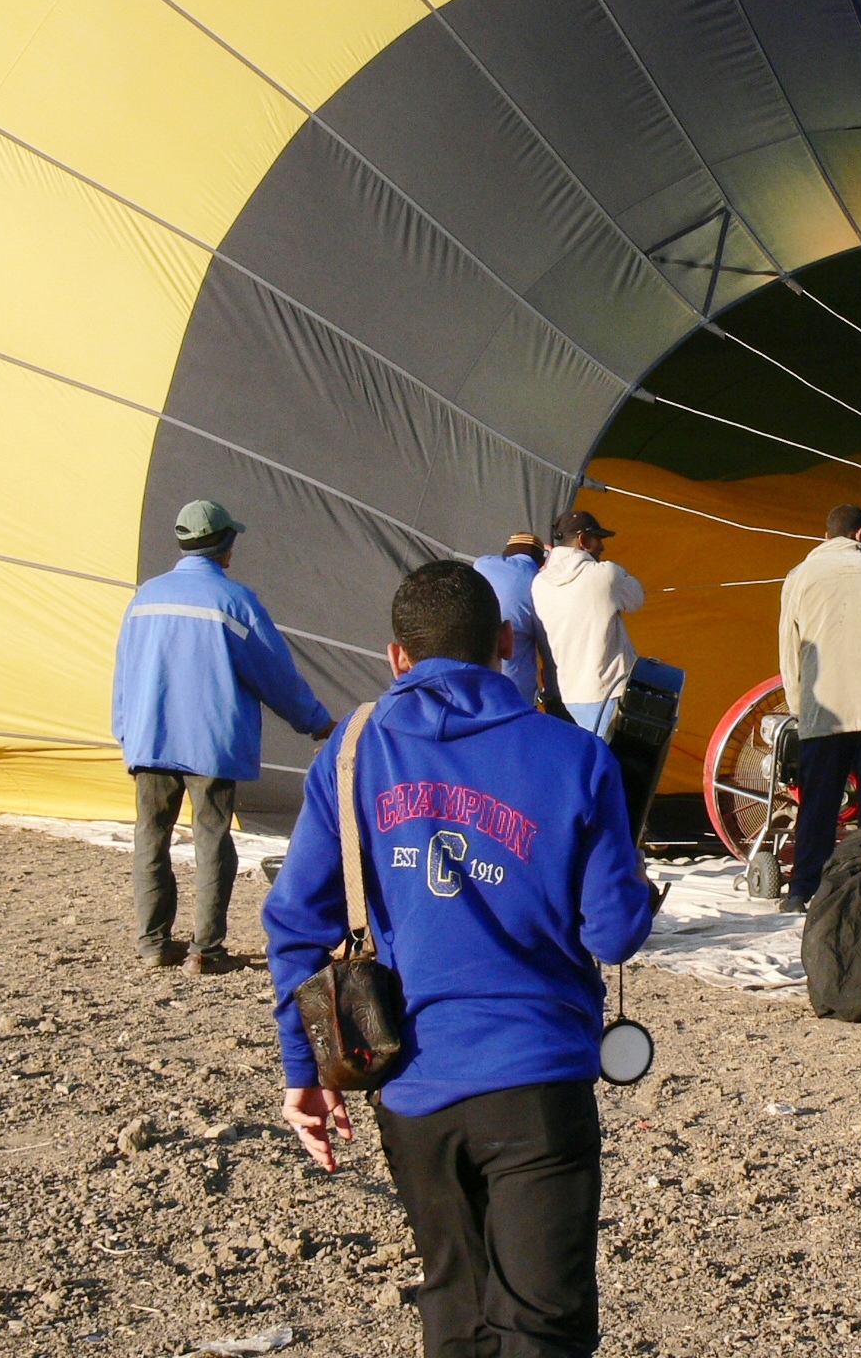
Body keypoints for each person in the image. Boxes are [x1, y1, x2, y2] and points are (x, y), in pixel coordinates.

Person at [263, 560, 654, 1358]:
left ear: (397, 657)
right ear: (506, 642)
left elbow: (295, 920)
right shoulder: (573, 756)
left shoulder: (352, 750)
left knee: (456, 1311)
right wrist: (639, 888)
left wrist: (303, 1070)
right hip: (537, 1079)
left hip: (411, 1088)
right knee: (542, 1325)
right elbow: (611, 935)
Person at [111, 500, 334, 973]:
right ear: (225, 544)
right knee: (212, 838)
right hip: (209, 745)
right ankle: (205, 950)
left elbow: (123, 673)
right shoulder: (234, 603)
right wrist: (315, 722)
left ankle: (152, 944)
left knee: (150, 836)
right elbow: (276, 675)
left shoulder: (145, 597)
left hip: (149, 738)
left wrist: (125, 730)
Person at [777, 504, 861, 913]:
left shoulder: (799, 577)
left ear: (828, 534)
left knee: (817, 803)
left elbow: (790, 649)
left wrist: (800, 705)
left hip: (823, 710)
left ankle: (802, 889)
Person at [531, 509, 645, 736]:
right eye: (598, 539)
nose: (602, 547)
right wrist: (617, 572)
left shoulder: (539, 583)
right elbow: (637, 598)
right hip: (610, 691)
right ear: (583, 540)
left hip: (571, 695)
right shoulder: (605, 574)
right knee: (618, 765)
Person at [473, 531, 548, 707]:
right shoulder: (538, 583)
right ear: (539, 561)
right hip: (514, 692)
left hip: (473, 685)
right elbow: (546, 647)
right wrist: (552, 692)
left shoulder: (481, 564)